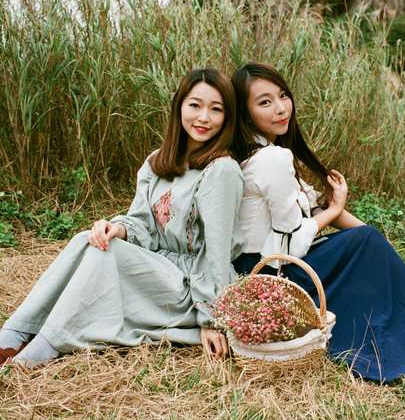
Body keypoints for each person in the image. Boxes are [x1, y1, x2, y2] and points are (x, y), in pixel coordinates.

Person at [230, 62, 405, 382]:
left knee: (370, 245)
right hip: (275, 274)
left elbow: (316, 209)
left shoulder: (268, 152)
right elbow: (293, 242)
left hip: (274, 267)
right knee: (367, 244)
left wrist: (379, 246)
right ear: (246, 114)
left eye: (283, 96)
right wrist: (340, 213)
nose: (280, 108)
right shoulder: (271, 159)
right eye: (265, 102)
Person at [0, 68, 243, 367]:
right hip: (157, 268)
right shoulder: (157, 162)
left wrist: (210, 318)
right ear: (179, 106)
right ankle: (16, 332)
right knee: (88, 240)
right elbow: (142, 223)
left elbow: (216, 254)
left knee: (107, 254)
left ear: (227, 117)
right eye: (195, 105)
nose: (204, 117)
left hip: (190, 286)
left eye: (216, 109)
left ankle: (48, 344)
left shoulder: (222, 170)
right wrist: (117, 228)